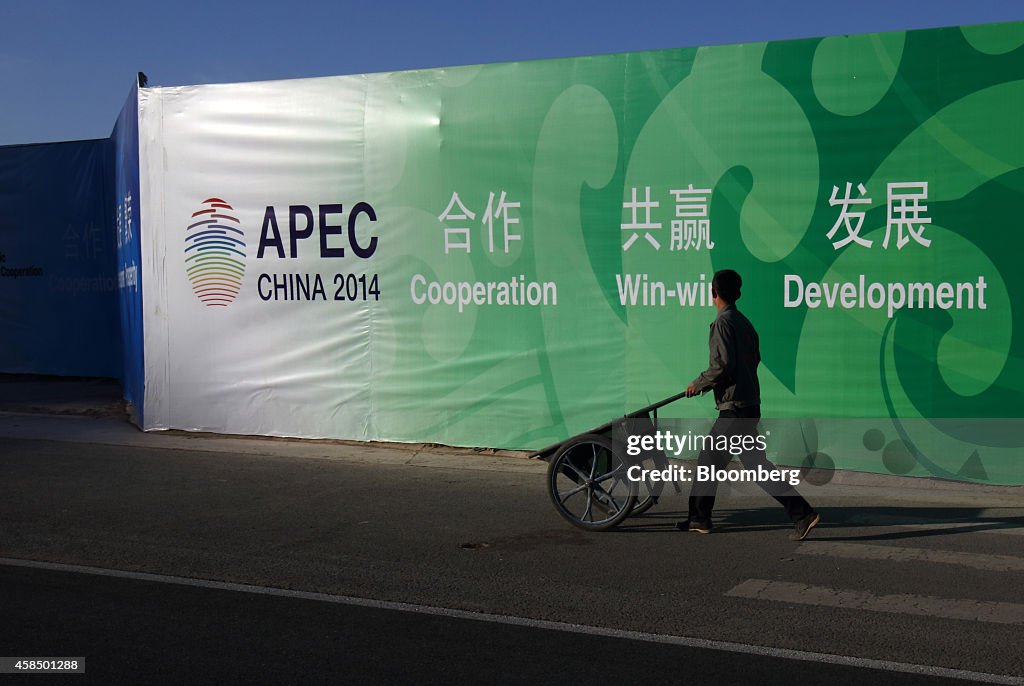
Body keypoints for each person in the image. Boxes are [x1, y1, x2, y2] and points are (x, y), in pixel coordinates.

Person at [679, 269, 819, 540]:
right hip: (749, 404)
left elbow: (720, 366)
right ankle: (802, 514)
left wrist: (700, 383)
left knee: (708, 461)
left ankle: (699, 518)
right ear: (738, 293)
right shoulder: (744, 322)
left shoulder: (722, 323)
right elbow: (752, 360)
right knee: (757, 465)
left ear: (713, 292)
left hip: (735, 408)